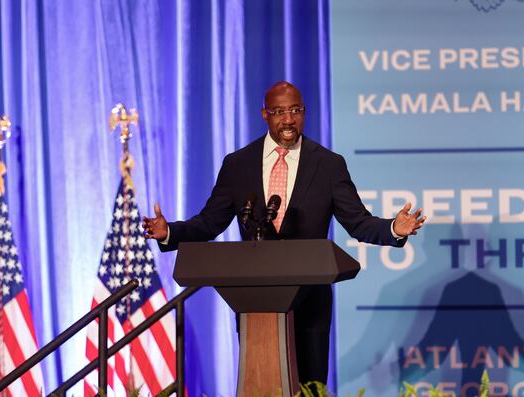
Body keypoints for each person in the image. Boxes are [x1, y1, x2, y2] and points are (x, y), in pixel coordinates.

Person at [142, 81, 425, 385]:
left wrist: (394, 228)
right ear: (264, 114)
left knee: (309, 386)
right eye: (279, 112)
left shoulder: (328, 164)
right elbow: (210, 222)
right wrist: (169, 231)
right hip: (255, 301)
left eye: (295, 111)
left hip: (310, 302)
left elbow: (358, 222)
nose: (288, 119)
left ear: (304, 112)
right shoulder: (238, 164)